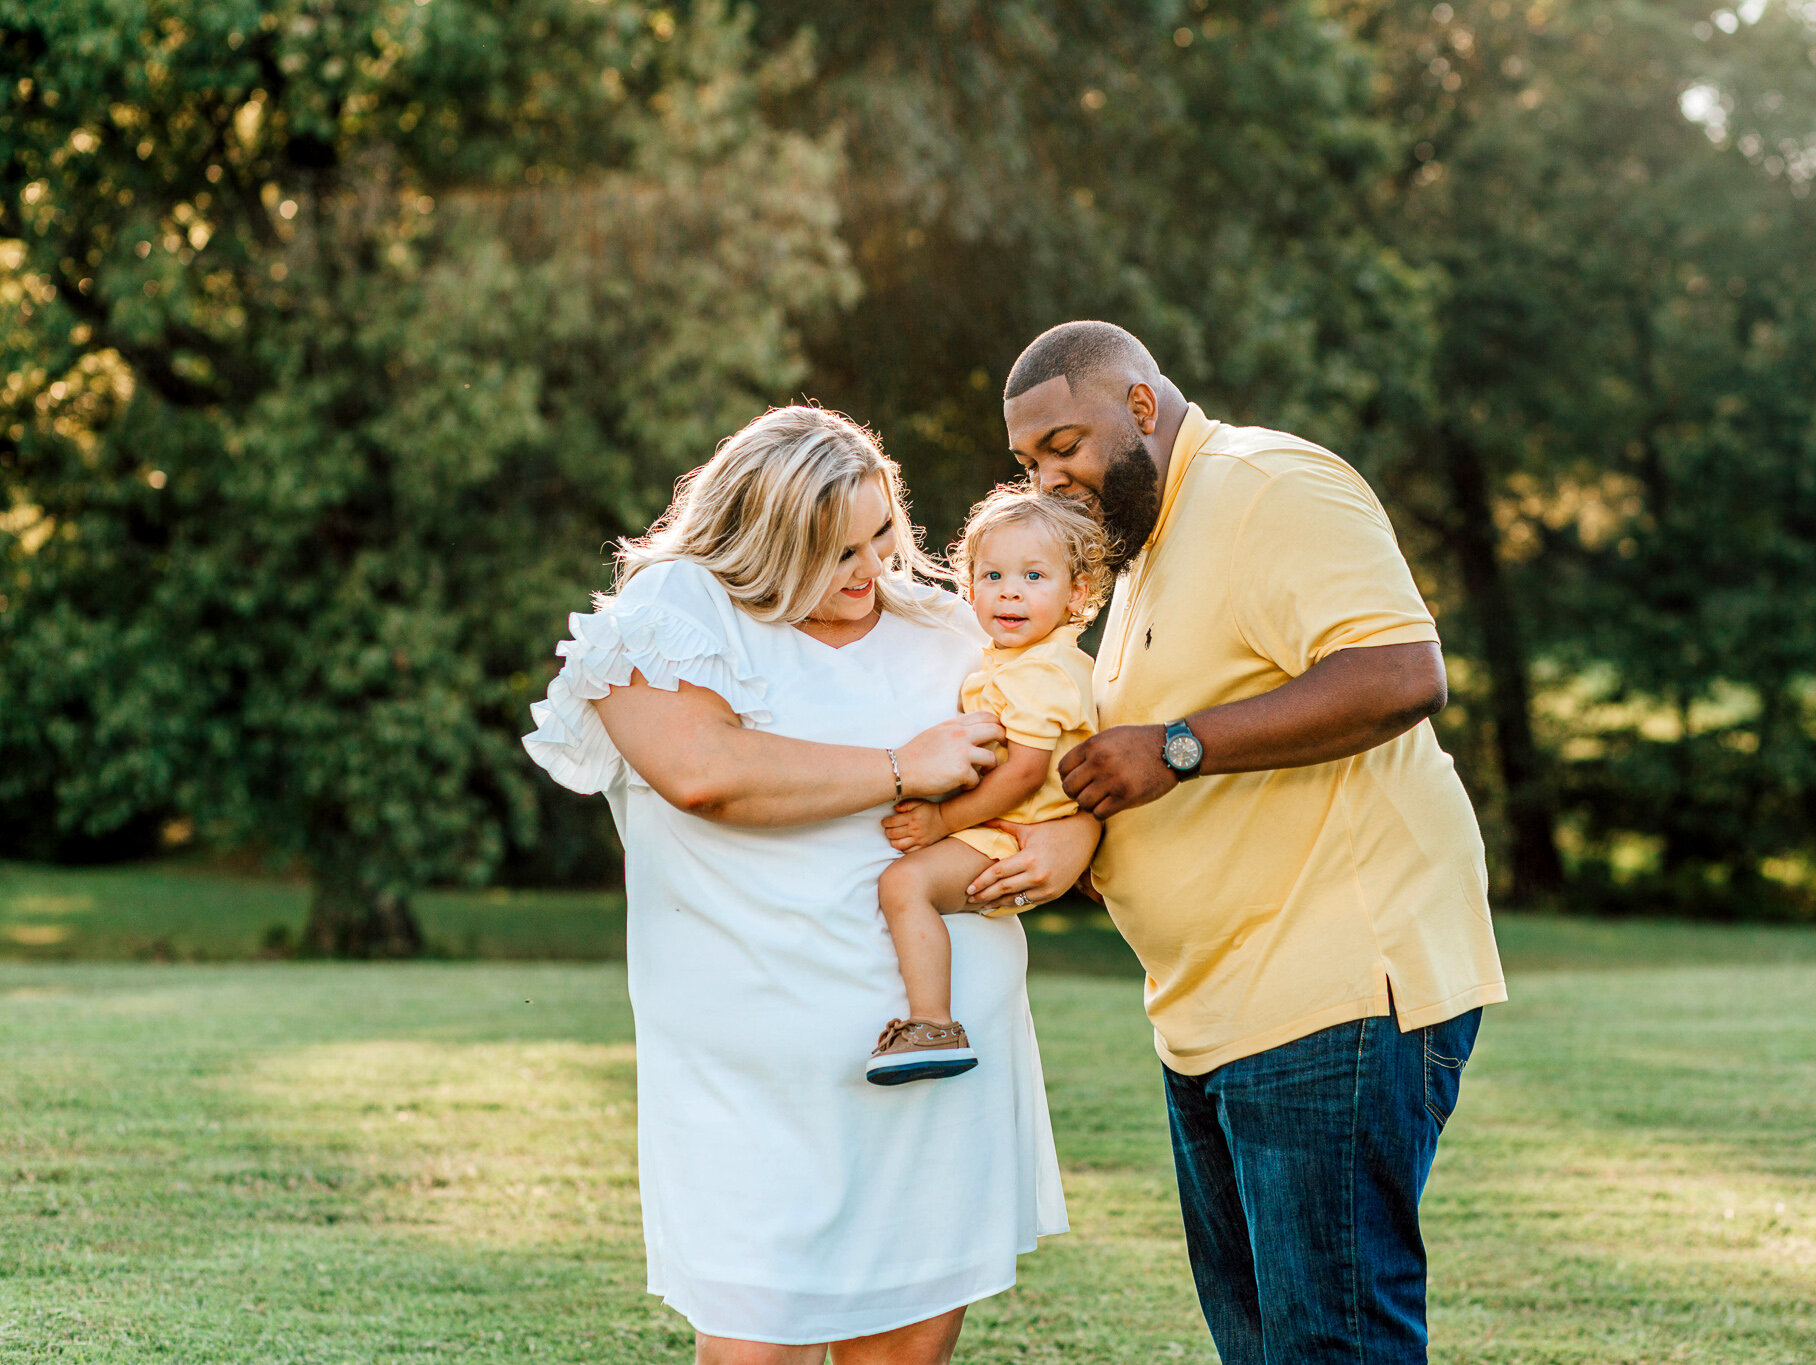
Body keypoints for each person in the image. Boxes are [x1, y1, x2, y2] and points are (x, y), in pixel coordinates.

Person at [522, 406, 1095, 1364]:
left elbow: (1064, 739)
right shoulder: (671, 613)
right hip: (757, 1075)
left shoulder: (948, 623)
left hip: (939, 1056)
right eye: (835, 553)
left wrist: (1076, 831)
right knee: (755, 1345)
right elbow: (705, 771)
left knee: (906, 1348)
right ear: (761, 540)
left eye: (881, 536)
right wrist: (904, 766)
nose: (870, 572)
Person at [998, 321, 1508, 1365]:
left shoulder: (1267, 485)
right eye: (1027, 464)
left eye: (1064, 445)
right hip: (1212, 1012)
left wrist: (1174, 748)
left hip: (1329, 993)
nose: (1049, 482)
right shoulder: (1142, 545)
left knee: (1327, 1347)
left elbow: (1399, 674)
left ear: (1140, 407)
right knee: (1266, 1348)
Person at [868, 486, 1109, 1084]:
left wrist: (942, 823)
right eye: (993, 574)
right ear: (969, 585)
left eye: (1034, 575)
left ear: (1076, 593)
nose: (1010, 591)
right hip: (1007, 824)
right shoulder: (1013, 660)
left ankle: (931, 1024)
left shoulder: (1043, 671)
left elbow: (1026, 770)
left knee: (905, 885)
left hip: (1013, 832)